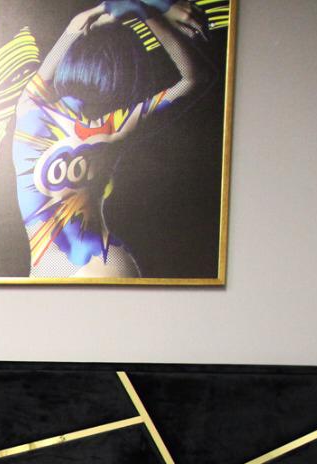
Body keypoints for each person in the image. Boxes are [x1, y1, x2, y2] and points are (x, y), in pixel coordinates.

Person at [12, 0, 209, 278]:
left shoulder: (29, 108)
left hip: (46, 267)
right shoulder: (113, 127)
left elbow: (78, 24)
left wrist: (106, 11)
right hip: (104, 261)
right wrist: (150, 13)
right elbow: (191, 78)